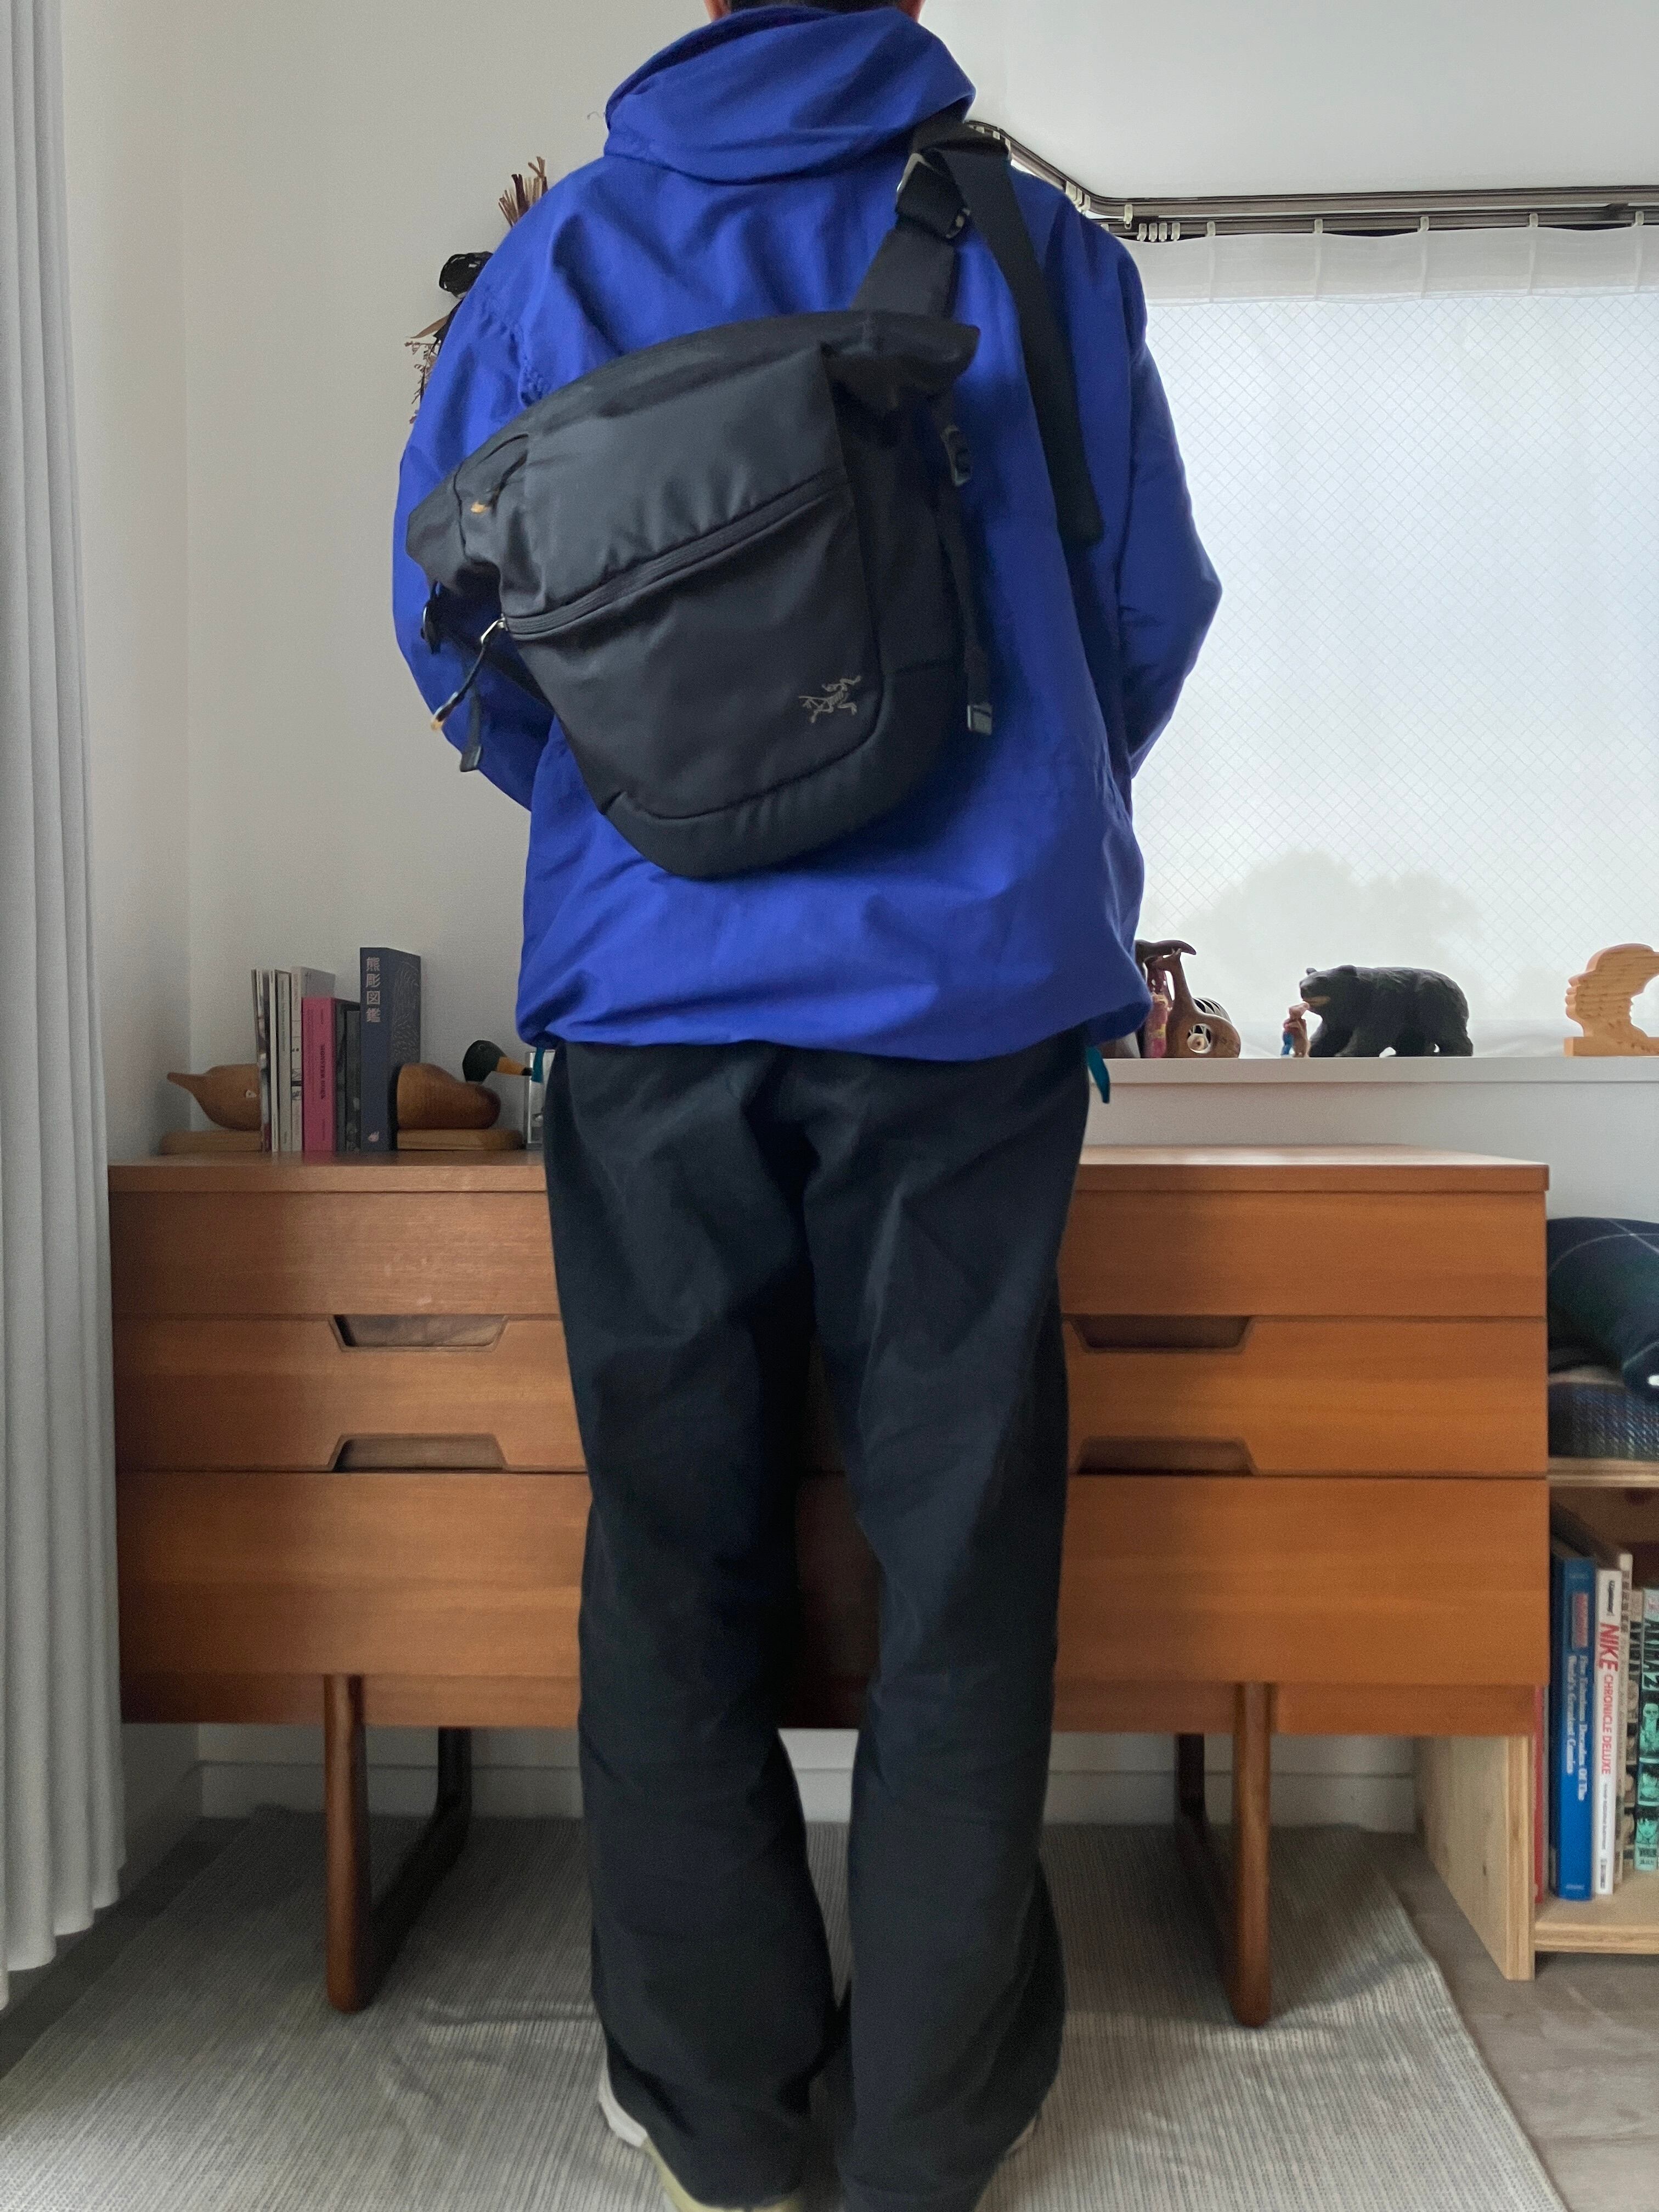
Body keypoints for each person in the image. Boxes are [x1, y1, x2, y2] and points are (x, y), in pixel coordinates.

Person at [393, 5, 1218, 2210]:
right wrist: (1005, 807)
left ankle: (720, 2120)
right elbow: (1145, 605)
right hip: (967, 1003)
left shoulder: (563, 254)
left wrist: (641, 816)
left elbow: (452, 627)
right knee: (960, 1554)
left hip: (647, 997)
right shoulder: (1038, 247)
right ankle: (929, 2130)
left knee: (673, 1548)